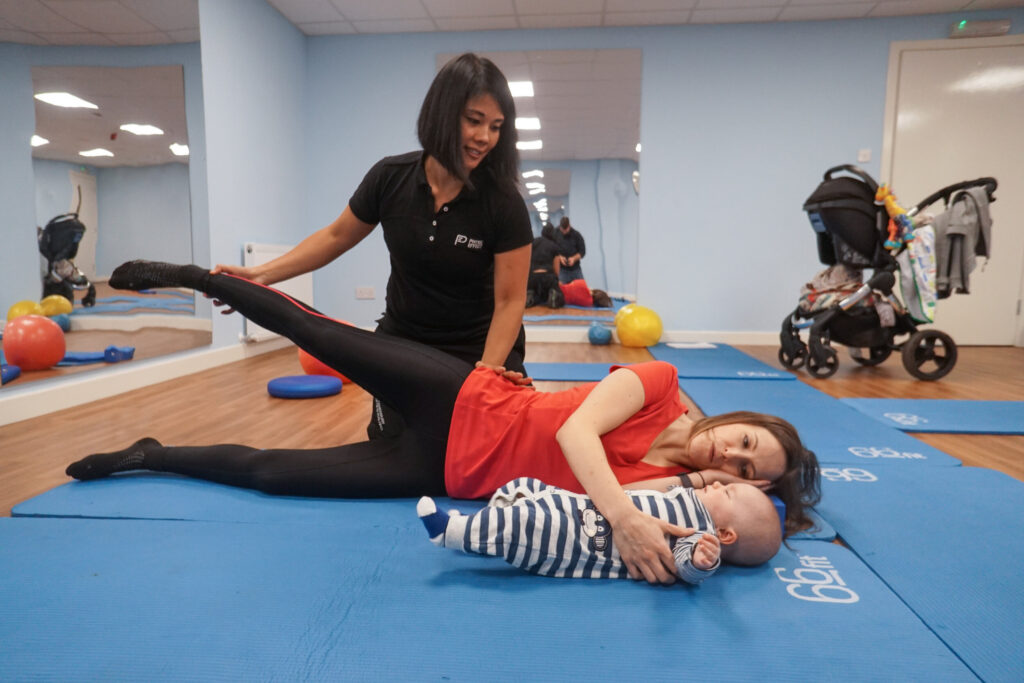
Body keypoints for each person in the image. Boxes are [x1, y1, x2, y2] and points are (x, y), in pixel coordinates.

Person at [66, 259, 820, 585]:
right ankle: (195, 277)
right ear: (743, 419)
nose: (731, 457)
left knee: (273, 474)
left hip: (443, 471)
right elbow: (573, 435)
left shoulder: (673, 491)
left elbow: (694, 541)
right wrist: (623, 517)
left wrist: (718, 534)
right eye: (746, 442)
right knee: (318, 332)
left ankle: (153, 454)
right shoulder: (660, 384)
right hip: (460, 400)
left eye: (746, 471)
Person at [207, 53, 533, 440]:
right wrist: (260, 275)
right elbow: (335, 237)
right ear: (443, 114)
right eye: (474, 120)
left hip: (478, 350)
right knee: (392, 448)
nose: (485, 138)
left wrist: (486, 375)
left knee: (481, 453)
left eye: (495, 127)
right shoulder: (390, 178)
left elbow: (510, 301)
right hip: (403, 343)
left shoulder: (503, 202)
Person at [417, 476, 782, 584]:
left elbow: (686, 566)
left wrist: (703, 561)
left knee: (527, 524)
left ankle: (451, 532)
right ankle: (484, 531)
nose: (717, 485)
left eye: (727, 492)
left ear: (725, 534)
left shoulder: (699, 535)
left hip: (576, 542)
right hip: (581, 505)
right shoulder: (687, 497)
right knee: (526, 486)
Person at [526, 223, 563, 308]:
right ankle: (554, 297)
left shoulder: (533, 243)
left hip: (532, 277)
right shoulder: (554, 246)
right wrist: (556, 281)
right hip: (548, 277)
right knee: (556, 295)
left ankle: (530, 297)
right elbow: (556, 269)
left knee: (537, 296)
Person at [553, 216, 586, 284]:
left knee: (581, 287)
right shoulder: (554, 233)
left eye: (566, 229)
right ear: (560, 227)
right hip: (562, 270)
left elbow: (582, 251)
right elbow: (551, 249)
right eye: (563, 230)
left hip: (576, 269)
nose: (564, 232)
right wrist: (559, 257)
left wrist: (574, 258)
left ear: (569, 226)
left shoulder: (576, 235)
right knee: (562, 289)